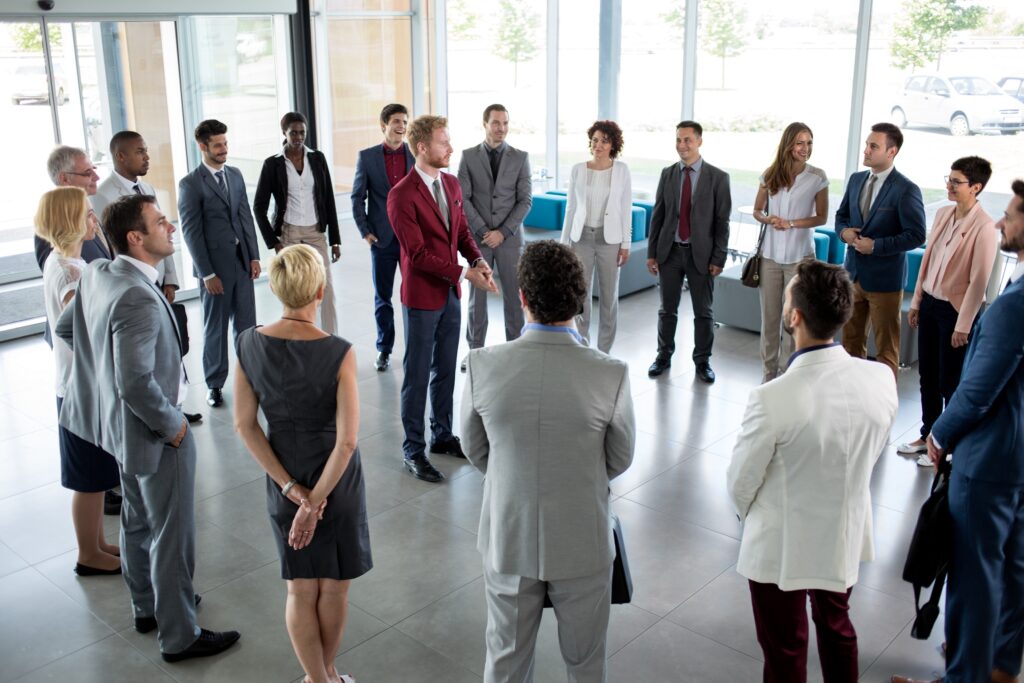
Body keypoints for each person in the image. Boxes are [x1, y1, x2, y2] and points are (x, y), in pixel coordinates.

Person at [56, 194, 240, 662]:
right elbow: (136, 383)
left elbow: (66, 329)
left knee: (137, 522)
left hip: (119, 430)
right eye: (161, 222)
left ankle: (147, 607)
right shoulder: (136, 295)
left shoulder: (100, 273)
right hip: (154, 431)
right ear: (136, 238)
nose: (171, 227)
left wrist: (102, 375)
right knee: (173, 536)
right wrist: (173, 426)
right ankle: (179, 635)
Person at [461, 240, 635, 682]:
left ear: (522, 297)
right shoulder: (610, 373)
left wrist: (512, 473)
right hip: (582, 540)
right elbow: (620, 456)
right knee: (586, 663)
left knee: (505, 661)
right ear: (579, 299)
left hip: (509, 535)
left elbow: (475, 448)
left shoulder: (482, 365)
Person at [727, 259, 897, 683]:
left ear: (794, 317)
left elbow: (740, 483)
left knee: (785, 647)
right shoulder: (881, 379)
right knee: (837, 625)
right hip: (842, 534)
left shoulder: (772, 398)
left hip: (780, 545)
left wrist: (748, 512)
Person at [891, 181, 1024, 683]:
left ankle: (965, 675)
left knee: (974, 572)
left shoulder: (1013, 306)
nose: (1001, 221)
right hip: (1019, 457)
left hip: (990, 459)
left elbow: (977, 391)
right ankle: (1002, 666)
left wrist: (939, 434)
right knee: (1014, 567)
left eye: (1013, 214)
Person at [234, 244, 371, 683]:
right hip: (336, 484)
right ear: (319, 290)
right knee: (333, 588)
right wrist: (316, 502)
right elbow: (346, 443)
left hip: (284, 476)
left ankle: (317, 678)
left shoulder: (248, 343)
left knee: (299, 587)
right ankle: (326, 675)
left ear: (276, 289)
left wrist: (293, 491)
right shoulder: (339, 351)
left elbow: (245, 425)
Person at [386, 114, 496, 484]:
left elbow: (461, 232)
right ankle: (413, 449)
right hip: (421, 297)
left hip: (450, 294)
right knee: (417, 375)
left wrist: (477, 260)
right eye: (443, 142)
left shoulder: (450, 183)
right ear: (422, 147)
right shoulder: (401, 195)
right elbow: (417, 255)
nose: (450, 148)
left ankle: (442, 434)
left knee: (446, 368)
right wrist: (465, 273)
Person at [35, 187, 121, 576]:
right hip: (81, 388)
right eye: (87, 213)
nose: (94, 220)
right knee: (88, 477)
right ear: (70, 220)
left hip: (78, 385)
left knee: (96, 474)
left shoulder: (67, 262)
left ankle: (97, 542)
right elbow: (82, 326)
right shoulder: (70, 272)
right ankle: (88, 553)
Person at [897, 157, 998, 465]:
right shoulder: (943, 213)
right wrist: (916, 302)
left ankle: (946, 445)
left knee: (950, 381)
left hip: (955, 312)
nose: (949, 186)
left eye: (956, 182)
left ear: (976, 187)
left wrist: (963, 325)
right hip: (930, 303)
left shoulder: (985, 227)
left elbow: (979, 281)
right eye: (949, 179)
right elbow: (927, 263)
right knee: (927, 376)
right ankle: (927, 434)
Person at [178, 119, 261, 408]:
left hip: (241, 264)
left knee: (247, 326)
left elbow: (245, 217)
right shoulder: (190, 184)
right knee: (215, 329)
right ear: (202, 146)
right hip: (214, 270)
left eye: (225, 143)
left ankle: (251, 378)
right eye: (217, 145)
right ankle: (214, 384)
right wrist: (207, 274)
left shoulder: (235, 175)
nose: (224, 149)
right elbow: (191, 232)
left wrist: (254, 256)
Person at [835, 122, 926, 377]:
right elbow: (841, 216)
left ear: (891, 152)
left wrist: (875, 246)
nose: (866, 150)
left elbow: (916, 235)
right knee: (850, 344)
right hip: (852, 275)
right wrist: (844, 233)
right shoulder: (856, 180)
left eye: (873, 146)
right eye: (866, 144)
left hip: (885, 281)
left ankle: (884, 398)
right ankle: (852, 394)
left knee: (886, 350)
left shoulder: (906, 189)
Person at [646, 121, 731, 383]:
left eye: (687, 140)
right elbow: (658, 215)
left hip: (701, 256)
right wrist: (652, 253)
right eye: (678, 140)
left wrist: (718, 257)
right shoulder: (668, 174)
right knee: (666, 310)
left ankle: (702, 361)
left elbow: (722, 222)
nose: (682, 145)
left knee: (703, 312)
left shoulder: (718, 177)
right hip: (670, 253)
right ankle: (663, 356)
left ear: (699, 141)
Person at [751, 122, 829, 382]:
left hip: (800, 259)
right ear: (788, 145)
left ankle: (787, 376)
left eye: (809, 143)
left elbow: (821, 217)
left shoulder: (817, 177)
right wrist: (768, 218)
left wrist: (792, 223)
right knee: (770, 320)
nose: (805, 148)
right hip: (770, 258)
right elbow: (757, 210)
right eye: (800, 143)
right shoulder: (770, 174)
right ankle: (768, 375)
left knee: (793, 320)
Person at [457, 103, 532, 367]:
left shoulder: (521, 157)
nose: (502, 128)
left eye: (505, 123)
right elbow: (462, 199)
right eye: (496, 123)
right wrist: (483, 231)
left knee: (514, 296)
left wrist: (502, 232)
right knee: (476, 300)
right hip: (478, 240)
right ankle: (475, 352)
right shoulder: (468, 156)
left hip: (510, 240)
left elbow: (525, 201)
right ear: (485, 124)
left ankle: (516, 352)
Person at [253, 112, 341, 335]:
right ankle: (298, 338)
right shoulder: (272, 164)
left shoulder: (317, 159)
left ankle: (330, 339)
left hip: (315, 232)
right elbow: (259, 207)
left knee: (326, 287)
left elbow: (328, 199)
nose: (299, 137)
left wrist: (335, 240)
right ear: (284, 133)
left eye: (302, 132)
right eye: (293, 133)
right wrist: (274, 242)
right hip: (289, 233)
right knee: (294, 290)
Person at [351, 103, 414, 371]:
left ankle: (415, 349)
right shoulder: (367, 158)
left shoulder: (416, 154)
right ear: (383, 125)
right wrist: (365, 232)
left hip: (412, 240)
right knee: (383, 297)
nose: (402, 126)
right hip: (382, 240)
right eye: (397, 121)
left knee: (413, 296)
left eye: (405, 122)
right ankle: (384, 348)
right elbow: (357, 197)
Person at [560, 120, 632, 354]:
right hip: (581, 238)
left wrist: (626, 244)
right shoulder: (578, 169)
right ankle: (582, 347)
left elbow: (625, 208)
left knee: (609, 298)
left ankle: (604, 351)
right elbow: (571, 208)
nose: (598, 145)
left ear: (613, 145)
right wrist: (564, 244)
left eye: (604, 141)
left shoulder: (622, 170)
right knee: (580, 295)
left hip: (610, 241)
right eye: (595, 140)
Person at [91, 131, 180, 303]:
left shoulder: (147, 188)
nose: (147, 157)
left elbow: (161, 231)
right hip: (131, 283)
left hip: (159, 279)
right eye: (140, 152)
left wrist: (170, 279)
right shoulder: (102, 195)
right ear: (121, 156)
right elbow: (111, 249)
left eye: (146, 151)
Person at [34, 145, 112, 271]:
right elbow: (58, 272)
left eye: (93, 169)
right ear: (64, 178)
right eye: (88, 173)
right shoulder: (51, 226)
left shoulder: (87, 211)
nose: (97, 177)